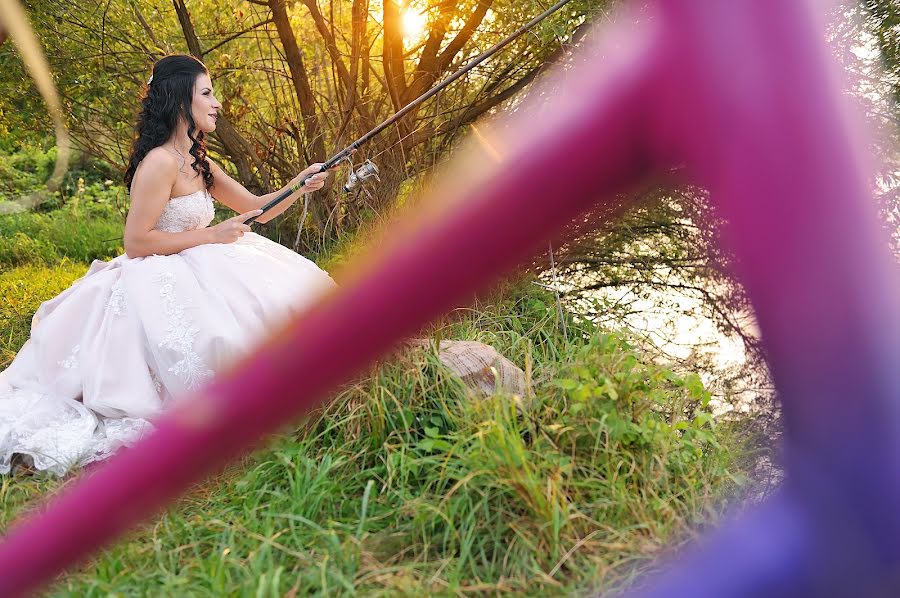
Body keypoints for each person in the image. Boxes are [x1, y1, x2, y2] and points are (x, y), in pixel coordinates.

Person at [0, 54, 337, 476]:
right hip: (157, 272)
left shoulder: (198, 160)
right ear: (181, 99)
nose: (218, 104)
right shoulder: (159, 162)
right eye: (207, 93)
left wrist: (299, 185)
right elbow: (137, 242)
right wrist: (211, 235)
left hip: (206, 263)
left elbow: (257, 210)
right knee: (212, 337)